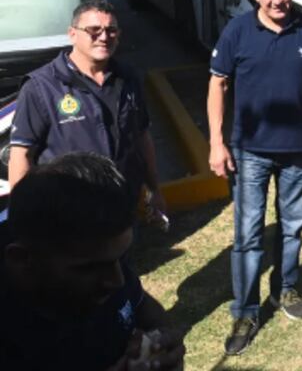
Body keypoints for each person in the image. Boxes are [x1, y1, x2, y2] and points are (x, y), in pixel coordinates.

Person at [208, 0, 302, 354]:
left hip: (299, 148)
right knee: (247, 236)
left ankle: (286, 289)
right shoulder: (237, 31)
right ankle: (246, 311)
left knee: (292, 227)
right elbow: (218, 84)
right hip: (250, 151)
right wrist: (216, 141)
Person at [0, 152, 184, 370]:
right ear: (21, 260)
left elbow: (145, 309)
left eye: (120, 258)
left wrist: (164, 344)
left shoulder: (99, 259)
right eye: (90, 268)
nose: (117, 281)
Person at [8, 0, 165, 218]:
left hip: (122, 205)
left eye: (111, 30)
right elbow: (22, 154)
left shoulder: (129, 78)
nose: (103, 37)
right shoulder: (40, 87)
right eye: (94, 30)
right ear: (72, 34)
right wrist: (21, 214)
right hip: (66, 212)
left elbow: (142, 137)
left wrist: (154, 189)